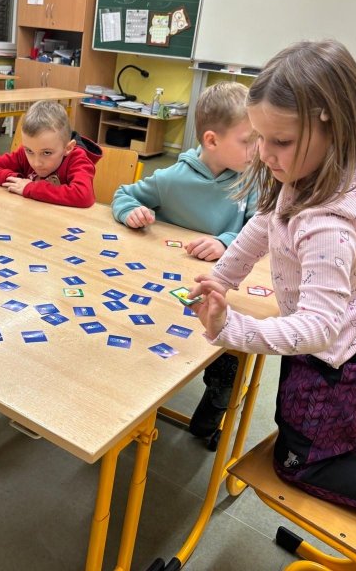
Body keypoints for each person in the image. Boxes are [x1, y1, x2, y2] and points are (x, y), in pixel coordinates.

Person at [187, 39, 356, 534]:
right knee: (330, 428)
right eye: (258, 138)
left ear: (333, 126)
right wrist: (223, 278)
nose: (264, 154)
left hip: (344, 365)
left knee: (301, 462)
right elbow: (262, 225)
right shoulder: (310, 173)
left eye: (280, 141)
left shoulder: (328, 223)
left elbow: (316, 328)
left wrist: (232, 329)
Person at [111, 81, 257, 441]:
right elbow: (124, 195)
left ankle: (212, 409)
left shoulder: (253, 181)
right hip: (163, 287)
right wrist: (132, 212)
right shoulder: (171, 179)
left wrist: (226, 242)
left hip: (220, 289)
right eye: (249, 140)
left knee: (229, 348)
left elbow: (263, 229)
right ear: (211, 140)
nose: (259, 149)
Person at [0, 99, 101, 207]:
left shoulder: (77, 159)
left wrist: (30, 187)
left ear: (68, 148)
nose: (36, 163)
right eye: (29, 151)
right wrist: (17, 180)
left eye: (46, 153)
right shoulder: (25, 152)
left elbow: (84, 195)